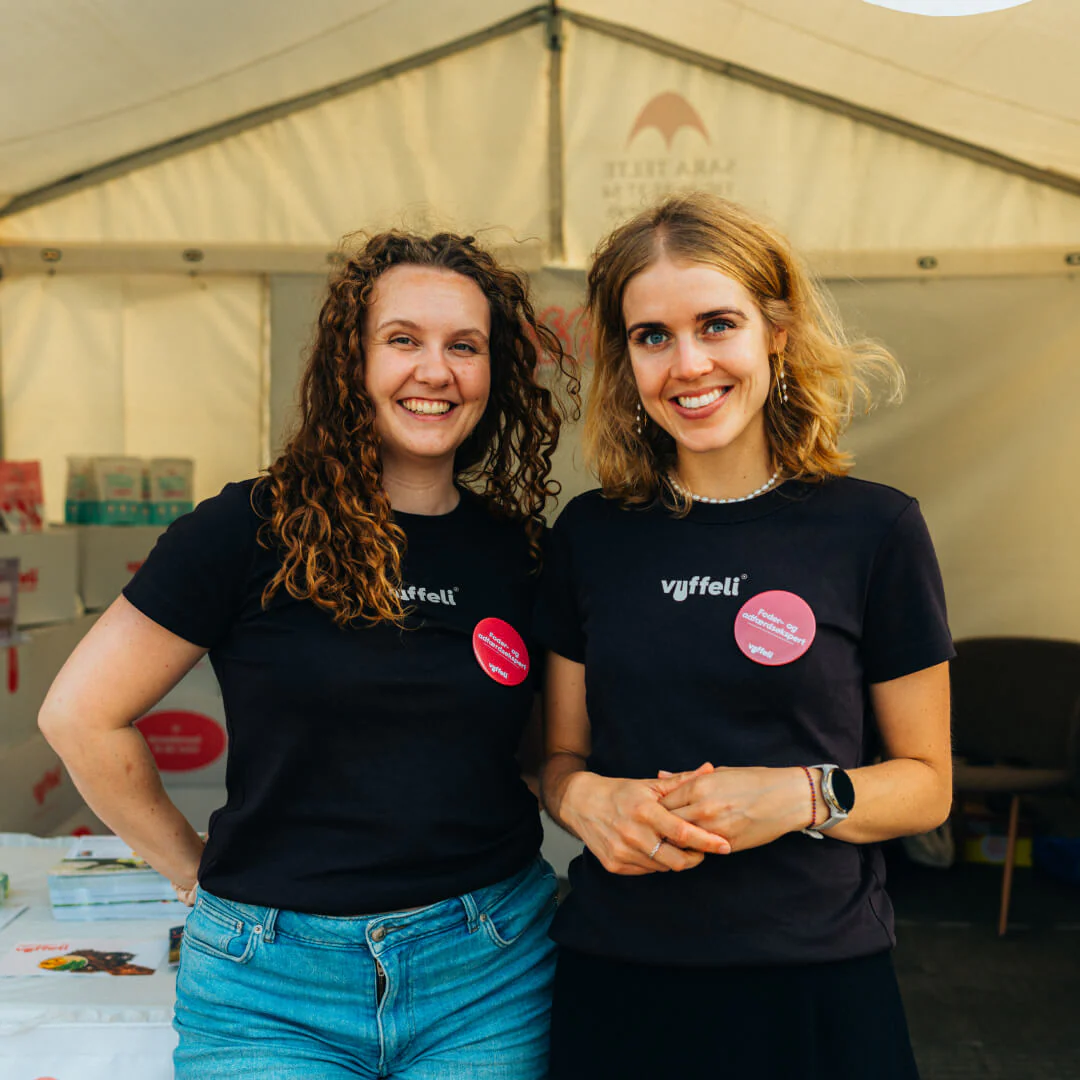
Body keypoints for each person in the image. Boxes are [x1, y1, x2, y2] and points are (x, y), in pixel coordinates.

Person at [39, 230, 577, 1079]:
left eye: (463, 346)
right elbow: (79, 715)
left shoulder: (523, 555)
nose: (434, 371)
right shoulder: (246, 529)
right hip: (268, 987)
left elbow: (543, 755)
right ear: (350, 362)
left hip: (486, 969)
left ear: (495, 373)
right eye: (402, 340)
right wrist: (191, 872)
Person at [537, 193, 953, 1080]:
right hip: (620, 981)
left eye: (716, 324)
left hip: (817, 987)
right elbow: (556, 755)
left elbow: (927, 787)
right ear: (626, 360)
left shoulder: (874, 530)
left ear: (777, 332)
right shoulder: (591, 535)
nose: (688, 365)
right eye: (653, 337)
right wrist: (583, 803)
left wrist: (802, 796)